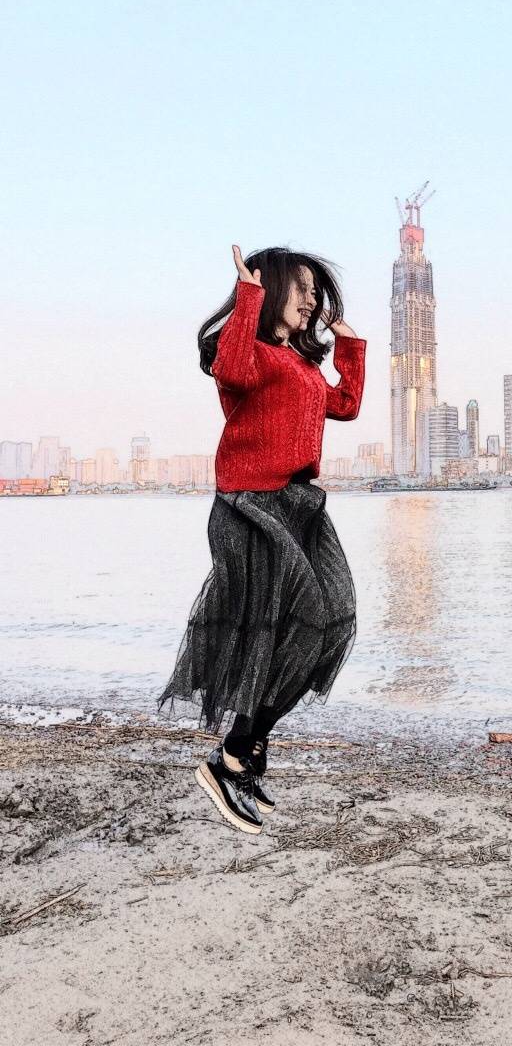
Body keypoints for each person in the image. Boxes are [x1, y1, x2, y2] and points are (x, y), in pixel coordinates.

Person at [157, 243, 366, 835]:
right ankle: (230, 759)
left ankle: (245, 749)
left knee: (334, 620)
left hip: (300, 505)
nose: (312, 300)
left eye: (316, 292)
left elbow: (346, 405)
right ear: (271, 289)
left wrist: (349, 345)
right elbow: (231, 369)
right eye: (302, 289)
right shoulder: (246, 353)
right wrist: (247, 294)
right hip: (250, 506)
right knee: (278, 627)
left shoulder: (299, 364)